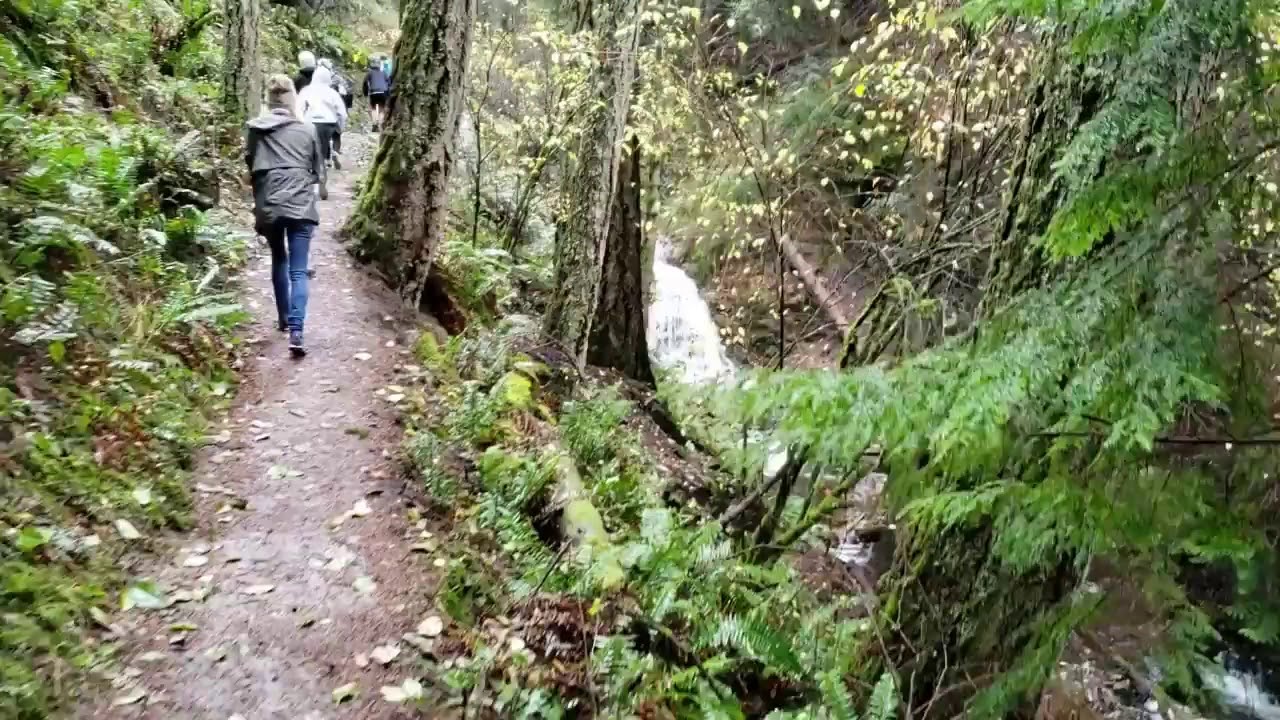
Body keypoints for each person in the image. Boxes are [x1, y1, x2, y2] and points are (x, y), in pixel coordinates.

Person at [246, 75, 323, 357]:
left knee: (279, 256)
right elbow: (317, 169)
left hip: (268, 204)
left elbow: (250, 163)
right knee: (299, 269)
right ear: (293, 98)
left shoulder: (254, 129)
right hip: (301, 205)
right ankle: (297, 330)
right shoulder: (307, 130)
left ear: (268, 99)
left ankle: (282, 319)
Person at [298, 65, 347, 199]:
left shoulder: (306, 91)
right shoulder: (332, 93)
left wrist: (300, 124)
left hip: (309, 124)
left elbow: (298, 109)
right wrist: (340, 128)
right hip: (328, 125)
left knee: (311, 153)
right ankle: (329, 157)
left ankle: (313, 175)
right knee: (323, 153)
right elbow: (342, 113)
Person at [318, 58, 353, 168]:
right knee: (337, 133)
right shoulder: (338, 78)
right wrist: (347, 108)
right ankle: (336, 151)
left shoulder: (317, 79)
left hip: (323, 110)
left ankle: (327, 156)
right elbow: (347, 92)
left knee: (324, 136)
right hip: (337, 108)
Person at [362, 57, 391, 132]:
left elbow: (365, 83)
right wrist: (388, 93)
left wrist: (365, 92)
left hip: (373, 92)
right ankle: (380, 124)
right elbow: (389, 82)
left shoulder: (369, 73)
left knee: (373, 108)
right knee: (382, 110)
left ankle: (374, 124)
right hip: (383, 92)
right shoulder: (384, 73)